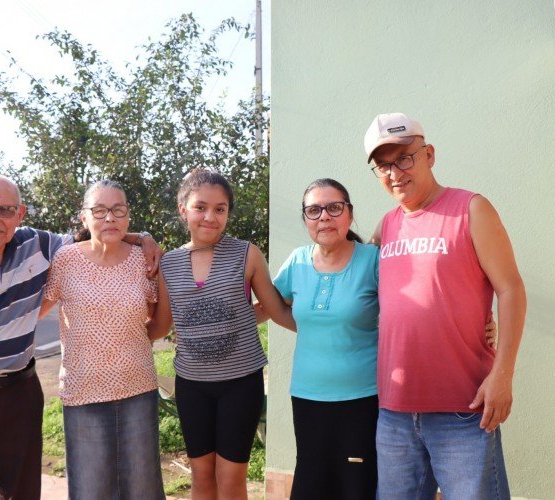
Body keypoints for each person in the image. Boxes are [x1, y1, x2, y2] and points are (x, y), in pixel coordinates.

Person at [0, 173, 161, 500]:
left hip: (19, 393)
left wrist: (143, 238)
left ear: (21, 213)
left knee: (22, 493)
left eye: (5, 210)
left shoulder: (40, 245)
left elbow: (102, 232)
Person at [364, 112, 527, 499]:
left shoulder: (470, 208)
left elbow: (511, 289)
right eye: (383, 165)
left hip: (463, 410)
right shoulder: (385, 226)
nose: (395, 172)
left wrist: (503, 373)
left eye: (404, 157)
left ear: (429, 154)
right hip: (395, 412)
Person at [147, 168, 294, 500]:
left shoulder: (247, 254)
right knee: (201, 478)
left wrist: (327, 321)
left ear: (228, 212)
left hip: (240, 384)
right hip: (192, 387)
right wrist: (118, 330)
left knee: (230, 480)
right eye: (200, 207)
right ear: (183, 209)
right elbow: (161, 326)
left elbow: (277, 310)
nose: (210, 217)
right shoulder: (168, 264)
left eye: (220, 209)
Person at [39, 179, 165, 499]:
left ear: (128, 217)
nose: (109, 218)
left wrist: (128, 342)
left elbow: (157, 322)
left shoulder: (144, 262)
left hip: (138, 388)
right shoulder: (65, 260)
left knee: (142, 488)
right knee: (90, 489)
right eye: (99, 210)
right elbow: (36, 311)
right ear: (84, 217)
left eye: (118, 210)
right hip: (83, 393)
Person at [272, 178, 380, 499]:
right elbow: (269, 306)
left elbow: (406, 312)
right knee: (312, 484)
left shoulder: (372, 260)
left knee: (355, 486)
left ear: (349, 214)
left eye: (334, 208)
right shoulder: (297, 261)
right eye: (314, 210)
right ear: (305, 218)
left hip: (361, 399)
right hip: (307, 397)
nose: (324, 217)